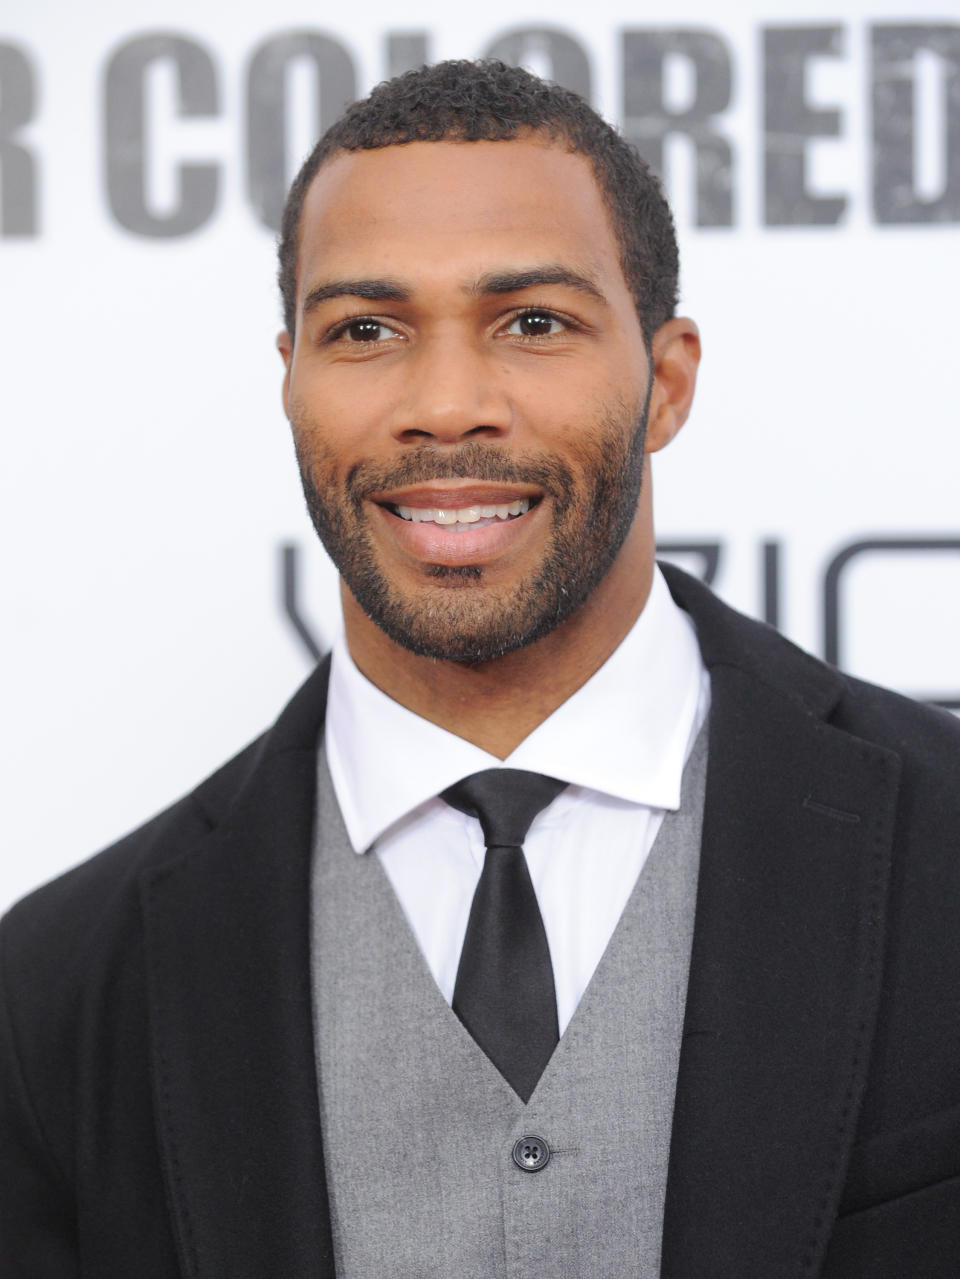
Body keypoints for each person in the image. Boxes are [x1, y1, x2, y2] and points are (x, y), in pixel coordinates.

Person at [2, 59, 959, 1279]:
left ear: (665, 383)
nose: (446, 405)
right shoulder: (62, 992)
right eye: (367, 330)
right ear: (290, 378)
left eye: (534, 322)